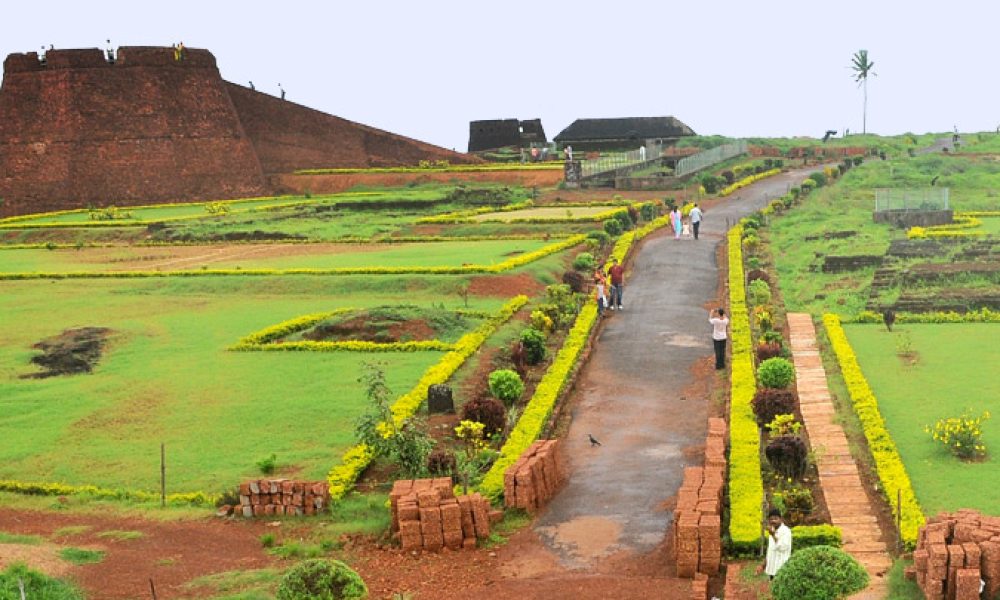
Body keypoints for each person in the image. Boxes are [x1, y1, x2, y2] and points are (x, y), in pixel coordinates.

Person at [764, 509, 792, 580]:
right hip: (772, 569)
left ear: (781, 519)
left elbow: (783, 547)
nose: (773, 521)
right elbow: (770, 550)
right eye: (771, 519)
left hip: (781, 568)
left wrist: (773, 535)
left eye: (776, 519)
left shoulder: (786, 531)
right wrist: (764, 564)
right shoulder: (772, 530)